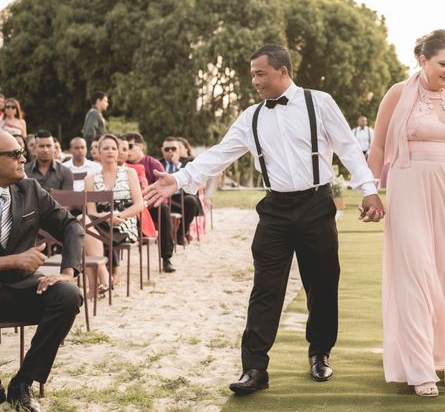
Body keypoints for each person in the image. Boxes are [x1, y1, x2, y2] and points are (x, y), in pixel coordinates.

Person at [143, 44, 384, 395]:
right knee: (265, 289)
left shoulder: (320, 102)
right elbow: (220, 154)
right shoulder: (251, 116)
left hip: (317, 204)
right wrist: (179, 179)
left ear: (283, 71)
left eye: (260, 73)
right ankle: (254, 368)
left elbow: (348, 147)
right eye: (252, 74)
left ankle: (319, 353)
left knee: (321, 282)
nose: (254, 81)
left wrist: (368, 189)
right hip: (274, 210)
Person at [367, 30, 445, 397]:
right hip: (409, 188)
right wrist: (370, 191)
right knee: (415, 273)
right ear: (423, 60)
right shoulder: (399, 93)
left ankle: (436, 351)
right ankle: (419, 370)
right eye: (443, 64)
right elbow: (379, 144)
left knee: (444, 272)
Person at [0, 130, 83, 412]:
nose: (24, 158)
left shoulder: (30, 189)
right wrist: (12, 261)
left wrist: (68, 272)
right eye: (15, 154)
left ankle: (23, 383)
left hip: (21, 289)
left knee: (68, 295)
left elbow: (71, 226)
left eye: (23, 151)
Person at [83, 134, 144, 291]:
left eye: (113, 148)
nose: (110, 151)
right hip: (101, 221)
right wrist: (106, 217)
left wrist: (119, 216)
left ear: (118, 152)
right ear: (98, 152)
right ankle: (104, 274)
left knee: (82, 228)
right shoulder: (90, 179)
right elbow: (91, 211)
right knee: (83, 221)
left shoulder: (129, 173)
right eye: (105, 148)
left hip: (125, 222)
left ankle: (96, 284)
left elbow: (139, 205)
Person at [125, 132, 176, 273]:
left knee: (164, 210)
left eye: (130, 146)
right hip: (127, 207)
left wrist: (145, 202)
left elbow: (164, 191)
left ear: (140, 146)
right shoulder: (122, 165)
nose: (127, 150)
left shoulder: (152, 164)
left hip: (150, 205)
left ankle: (166, 258)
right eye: (123, 147)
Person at [159, 136, 201, 244]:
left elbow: (193, 179)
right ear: (162, 150)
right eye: (167, 149)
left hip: (181, 197)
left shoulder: (189, 162)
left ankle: (181, 233)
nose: (170, 152)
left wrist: (177, 164)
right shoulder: (158, 163)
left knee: (192, 201)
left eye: (173, 149)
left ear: (179, 150)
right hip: (163, 197)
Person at [82, 92, 108, 159]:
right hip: (93, 155)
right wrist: (95, 149)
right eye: (105, 101)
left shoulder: (95, 113)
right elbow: (89, 133)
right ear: (98, 101)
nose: (107, 104)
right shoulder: (94, 113)